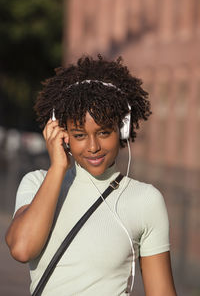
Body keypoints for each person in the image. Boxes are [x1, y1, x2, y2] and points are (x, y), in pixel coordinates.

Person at [5, 55, 177, 296]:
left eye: (104, 132)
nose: (93, 146)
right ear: (62, 134)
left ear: (122, 130)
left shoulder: (146, 200)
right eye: (79, 135)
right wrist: (57, 169)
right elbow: (22, 249)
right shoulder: (36, 183)